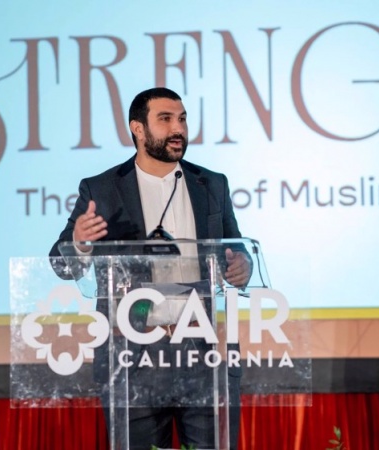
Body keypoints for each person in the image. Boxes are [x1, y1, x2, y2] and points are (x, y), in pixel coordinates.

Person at [50, 87, 250, 449]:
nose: (179, 129)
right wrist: (79, 242)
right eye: (166, 119)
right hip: (133, 354)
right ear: (138, 129)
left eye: (182, 119)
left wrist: (241, 266)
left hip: (204, 349)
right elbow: (62, 265)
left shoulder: (211, 184)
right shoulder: (103, 189)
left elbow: (236, 249)